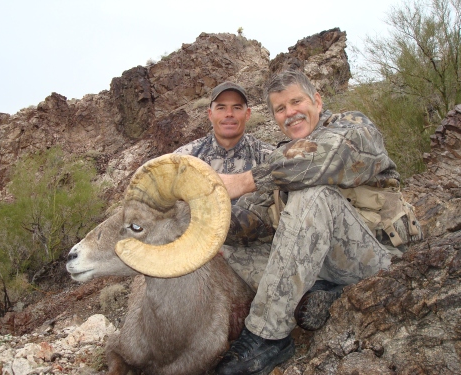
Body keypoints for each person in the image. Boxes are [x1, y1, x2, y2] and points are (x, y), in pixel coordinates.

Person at [214, 70, 422, 375]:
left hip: (375, 258)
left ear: (317, 101)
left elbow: (320, 160)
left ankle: (266, 337)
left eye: (296, 101)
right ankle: (320, 294)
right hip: (323, 262)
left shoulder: (354, 127)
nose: (291, 113)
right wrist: (203, 215)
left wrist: (243, 180)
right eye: (281, 109)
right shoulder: (281, 157)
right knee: (225, 244)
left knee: (312, 192)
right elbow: (252, 219)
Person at [174, 81, 277, 244]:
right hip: (198, 250)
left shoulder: (269, 157)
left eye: (237, 107)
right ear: (210, 114)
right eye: (221, 108)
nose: (229, 114)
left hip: (255, 253)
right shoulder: (184, 159)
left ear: (248, 114)